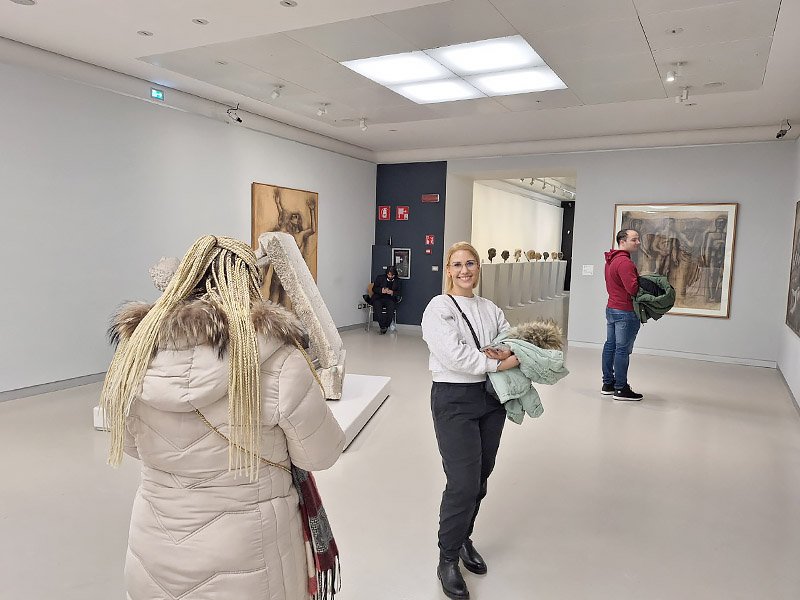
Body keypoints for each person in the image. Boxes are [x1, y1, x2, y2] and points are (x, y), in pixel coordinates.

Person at [101, 235, 345, 600]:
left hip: (153, 555)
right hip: (250, 562)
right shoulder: (279, 360)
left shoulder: (135, 357)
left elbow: (133, 445)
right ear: (247, 281)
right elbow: (320, 454)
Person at [421, 241, 520, 600]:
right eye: (457, 264)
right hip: (454, 400)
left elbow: (510, 340)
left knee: (480, 477)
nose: (464, 270)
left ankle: (464, 538)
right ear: (448, 270)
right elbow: (455, 357)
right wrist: (498, 362)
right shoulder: (439, 308)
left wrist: (501, 354)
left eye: (471, 263)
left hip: (491, 399)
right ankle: (447, 558)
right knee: (462, 483)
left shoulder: (490, 308)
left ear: (479, 268)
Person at [602, 229, 644, 401]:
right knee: (622, 349)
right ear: (622, 242)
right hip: (625, 311)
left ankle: (608, 384)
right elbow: (632, 289)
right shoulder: (625, 263)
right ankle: (620, 388)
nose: (638, 242)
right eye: (634, 239)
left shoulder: (611, 260)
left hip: (612, 308)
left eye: (638, 239)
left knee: (610, 345)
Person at [371, 265, 401, 334]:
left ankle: (386, 326)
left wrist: (392, 292)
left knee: (391, 309)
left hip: (390, 299)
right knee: (377, 307)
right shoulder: (380, 278)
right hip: (379, 298)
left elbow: (399, 292)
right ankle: (382, 327)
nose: (390, 276)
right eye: (389, 275)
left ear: (395, 275)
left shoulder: (398, 281)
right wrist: (381, 290)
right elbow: (374, 289)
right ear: (386, 274)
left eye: (392, 275)